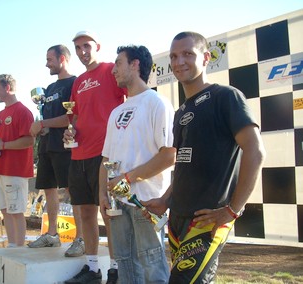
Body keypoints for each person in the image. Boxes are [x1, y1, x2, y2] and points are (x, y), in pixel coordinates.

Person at [142, 31, 266, 283]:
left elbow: (255, 151)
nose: (179, 62)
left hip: (207, 221)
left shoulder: (226, 97)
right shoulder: (182, 111)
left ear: (206, 57)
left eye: (188, 53)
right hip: (178, 217)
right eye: (174, 56)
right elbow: (185, 166)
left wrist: (232, 210)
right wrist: (166, 200)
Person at [98, 45, 175, 283]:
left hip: (146, 201)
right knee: (124, 263)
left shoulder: (157, 104)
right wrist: (102, 194)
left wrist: (128, 179)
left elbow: (169, 156)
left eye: (118, 62)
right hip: (117, 204)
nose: (113, 69)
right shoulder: (116, 112)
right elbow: (106, 159)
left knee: (152, 264)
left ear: (135, 64)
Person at [63, 31, 126, 284]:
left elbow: (128, 104)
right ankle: (92, 269)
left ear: (97, 46)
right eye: (77, 48)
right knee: (86, 213)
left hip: (106, 155)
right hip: (79, 154)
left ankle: (115, 269)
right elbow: (75, 117)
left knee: (109, 214)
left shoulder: (112, 70)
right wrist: (70, 134)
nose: (82, 52)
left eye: (86, 46)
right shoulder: (78, 82)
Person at [27, 44, 85, 257]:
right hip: (47, 146)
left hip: (65, 146)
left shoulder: (75, 83)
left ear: (62, 59)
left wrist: (42, 125)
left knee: (72, 190)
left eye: (49, 59)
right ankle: (52, 235)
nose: (46, 63)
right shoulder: (49, 89)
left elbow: (72, 117)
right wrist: (42, 127)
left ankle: (81, 238)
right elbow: (48, 119)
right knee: (48, 189)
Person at [0, 74, 35, 248]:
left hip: (16, 171)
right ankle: (12, 245)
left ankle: (20, 249)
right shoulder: (0, 114)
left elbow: (29, 140)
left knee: (16, 211)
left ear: (7, 88)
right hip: (0, 170)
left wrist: (4, 145)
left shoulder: (23, 111)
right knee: (5, 210)